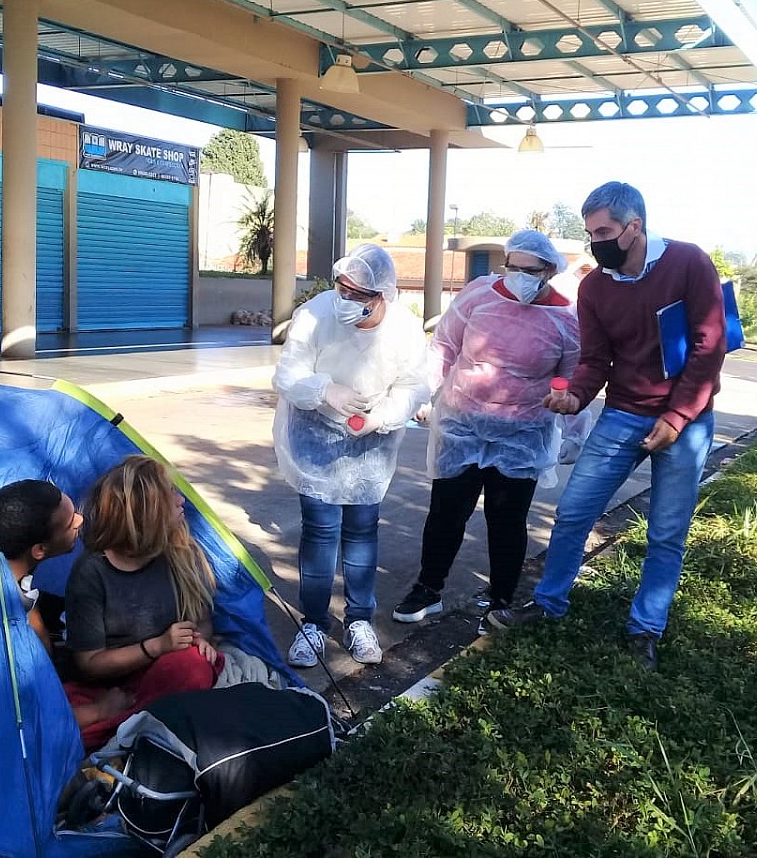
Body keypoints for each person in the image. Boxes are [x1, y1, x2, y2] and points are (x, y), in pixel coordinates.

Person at [487, 182, 726, 672]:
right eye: (589, 232)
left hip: (687, 419)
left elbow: (709, 348)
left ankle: (645, 628)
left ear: (634, 227)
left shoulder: (688, 263)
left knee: (666, 531)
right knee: (573, 513)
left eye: (604, 231)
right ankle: (549, 603)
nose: (595, 242)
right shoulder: (595, 287)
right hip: (623, 413)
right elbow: (596, 359)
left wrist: (678, 417)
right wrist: (575, 394)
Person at [392, 230, 581, 629]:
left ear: (549, 271)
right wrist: (428, 394)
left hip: (522, 436)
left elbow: (574, 381)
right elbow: (444, 345)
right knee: (446, 513)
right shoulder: (479, 295)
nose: (518, 277)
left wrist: (574, 431)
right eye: (511, 267)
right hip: (462, 427)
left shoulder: (566, 319)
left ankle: (501, 599)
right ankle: (428, 588)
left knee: (507, 521)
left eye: (529, 271)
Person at [273, 244, 429, 668]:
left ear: (382, 296)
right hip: (316, 432)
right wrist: (325, 390)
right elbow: (288, 375)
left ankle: (359, 620)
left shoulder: (403, 329)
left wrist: (383, 416)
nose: (345, 300)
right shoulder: (316, 314)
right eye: (342, 288)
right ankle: (315, 623)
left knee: (362, 528)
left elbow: (415, 384)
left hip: (371, 437)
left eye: (357, 294)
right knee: (320, 529)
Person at [64, 455, 222, 749]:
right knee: (50, 719)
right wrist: (156, 646)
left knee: (193, 665)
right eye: (170, 495)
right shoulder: (92, 572)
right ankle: (132, 729)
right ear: (145, 514)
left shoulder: (181, 553)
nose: (180, 500)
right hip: (108, 685)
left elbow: (201, 621)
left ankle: (126, 731)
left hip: (164, 676)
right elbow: (89, 664)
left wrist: (200, 639)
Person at [0, 479, 132, 731]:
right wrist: (99, 710)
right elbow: (20, 725)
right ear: (40, 550)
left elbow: (37, 626)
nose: (80, 521)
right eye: (70, 523)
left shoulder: (15, 577)